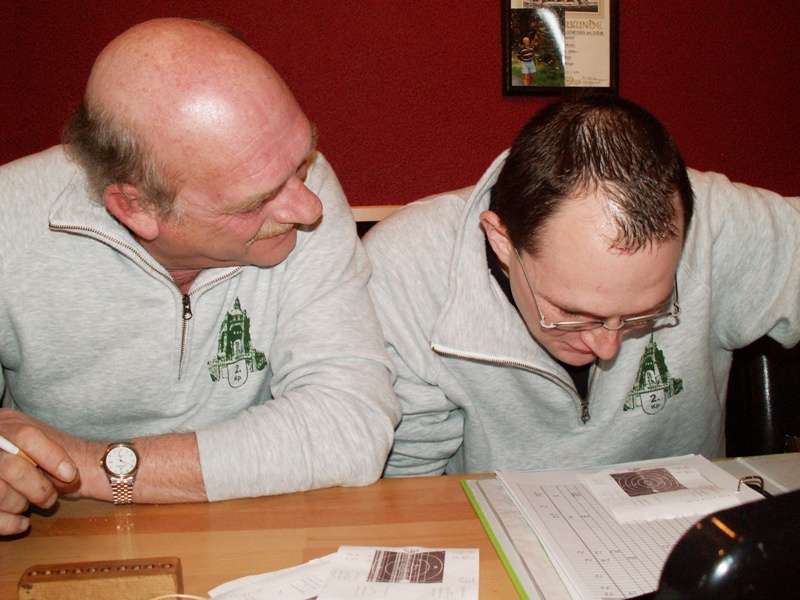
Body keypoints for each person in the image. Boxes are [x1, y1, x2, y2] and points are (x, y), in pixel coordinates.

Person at [0, 18, 401, 536]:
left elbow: (350, 423)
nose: (309, 208)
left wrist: (88, 465)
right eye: (256, 201)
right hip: (64, 542)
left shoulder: (298, 186)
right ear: (135, 207)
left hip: (256, 532)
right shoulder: (9, 223)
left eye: (302, 160)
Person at [363, 93, 800, 477]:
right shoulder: (408, 268)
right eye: (573, 314)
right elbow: (407, 496)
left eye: (644, 314)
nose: (607, 348)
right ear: (501, 240)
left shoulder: (717, 224)